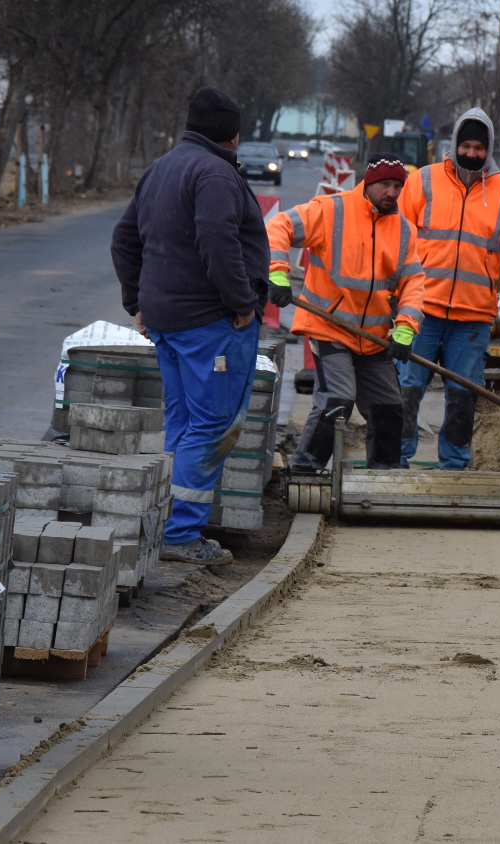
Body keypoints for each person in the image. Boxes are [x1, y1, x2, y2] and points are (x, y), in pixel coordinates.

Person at [111, 86, 267, 567]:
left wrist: (137, 299)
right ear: (234, 136)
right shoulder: (216, 174)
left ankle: (167, 524)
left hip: (168, 321)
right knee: (212, 423)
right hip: (210, 323)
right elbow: (217, 241)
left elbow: (123, 239)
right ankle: (181, 534)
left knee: (181, 423)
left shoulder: (162, 167)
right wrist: (242, 302)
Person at [395, 108, 500, 470]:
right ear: (454, 144)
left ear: (489, 149)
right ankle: (393, 459)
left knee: (463, 396)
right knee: (406, 389)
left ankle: (454, 467)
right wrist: (388, 297)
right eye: (466, 145)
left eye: (479, 147)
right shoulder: (422, 181)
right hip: (420, 311)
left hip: (472, 317)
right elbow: (394, 242)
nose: (472, 154)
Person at [267, 158, 426, 471]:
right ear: (368, 183)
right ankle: (304, 470)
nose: (392, 192)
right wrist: (278, 273)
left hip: (374, 338)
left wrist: (406, 327)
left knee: (389, 408)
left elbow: (413, 284)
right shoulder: (332, 211)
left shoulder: (404, 231)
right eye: (385, 185)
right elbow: (279, 226)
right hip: (330, 328)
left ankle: (382, 477)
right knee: (338, 400)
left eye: (398, 186)